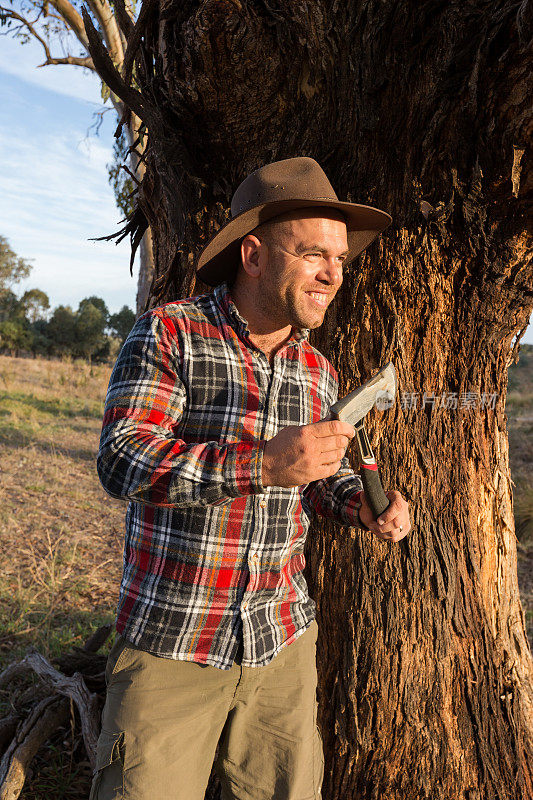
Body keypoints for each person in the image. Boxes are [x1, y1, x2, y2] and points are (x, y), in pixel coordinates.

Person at [91, 156, 411, 800]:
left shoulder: (317, 371)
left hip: (281, 645)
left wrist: (363, 506)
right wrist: (262, 462)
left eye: (341, 259)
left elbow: (320, 481)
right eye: (314, 254)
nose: (333, 274)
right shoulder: (170, 335)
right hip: (172, 640)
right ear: (255, 254)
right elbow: (123, 458)